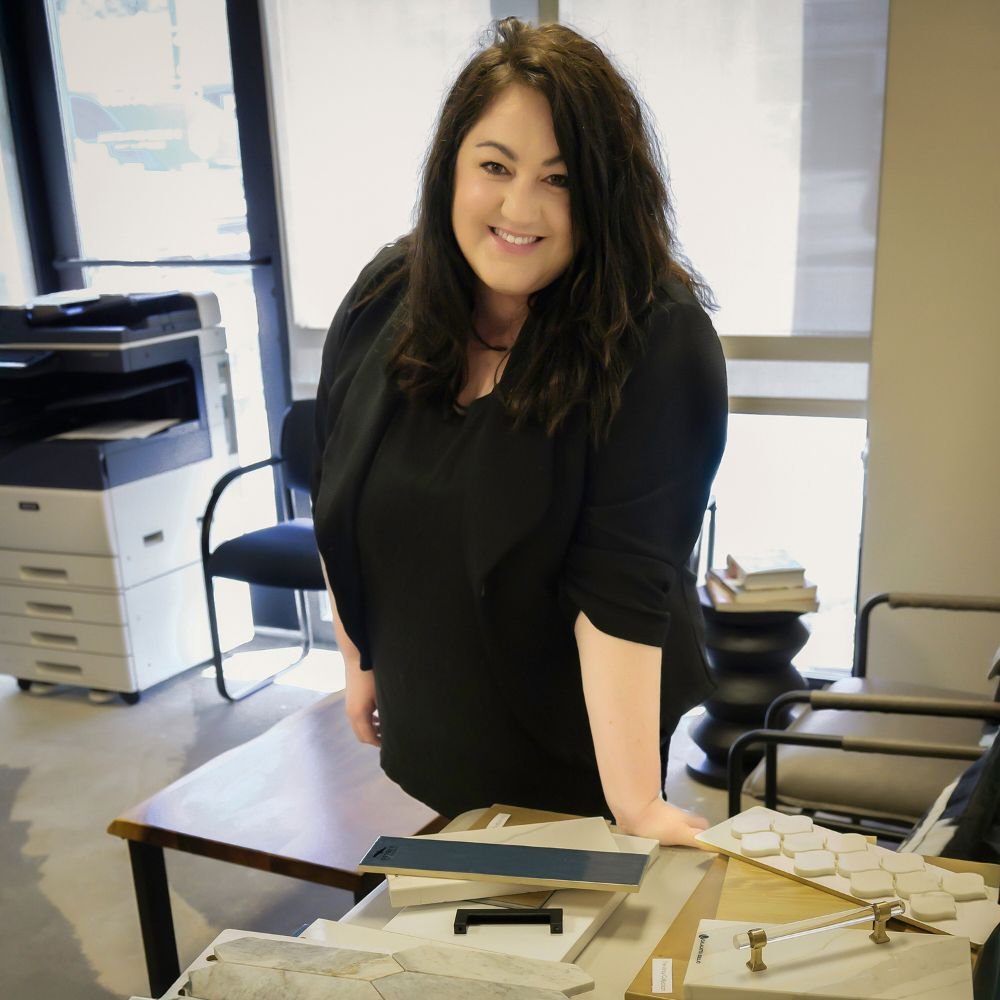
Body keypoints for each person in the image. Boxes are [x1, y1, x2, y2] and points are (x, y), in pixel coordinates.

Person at [311, 18, 727, 847]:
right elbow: (339, 481)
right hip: (433, 708)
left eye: (559, 179)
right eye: (495, 166)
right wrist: (359, 658)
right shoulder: (389, 293)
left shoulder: (655, 339)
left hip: (573, 736)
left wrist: (635, 802)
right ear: (451, 168)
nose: (519, 208)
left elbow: (620, 587)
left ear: (604, 192)